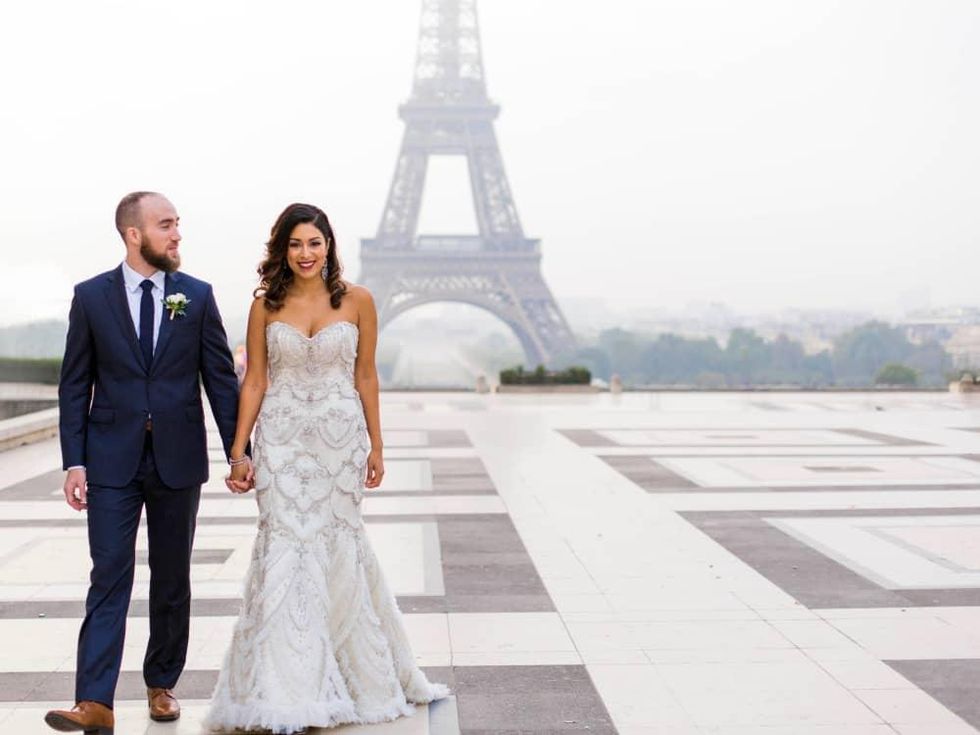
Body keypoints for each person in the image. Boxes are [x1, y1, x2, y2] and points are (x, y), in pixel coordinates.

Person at [205, 203, 448, 734]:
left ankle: (343, 677)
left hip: (339, 445)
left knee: (338, 547)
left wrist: (377, 445)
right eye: (295, 244)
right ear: (282, 249)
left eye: (314, 243)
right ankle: (286, 689)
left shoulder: (359, 301)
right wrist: (239, 451)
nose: (306, 253)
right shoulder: (265, 306)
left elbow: (366, 377)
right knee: (285, 547)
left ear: (329, 246)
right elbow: (255, 380)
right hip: (282, 443)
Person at [46, 192, 246, 734]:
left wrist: (239, 451)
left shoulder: (196, 296)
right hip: (111, 460)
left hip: (177, 459)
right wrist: (74, 462)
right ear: (133, 234)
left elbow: (220, 381)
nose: (177, 234)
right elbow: (74, 384)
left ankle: (161, 684)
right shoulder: (91, 297)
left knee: (172, 576)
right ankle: (94, 700)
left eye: (177, 224)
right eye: (165, 225)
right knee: (108, 574)